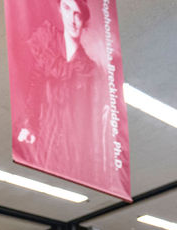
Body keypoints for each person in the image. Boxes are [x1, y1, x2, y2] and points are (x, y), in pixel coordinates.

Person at [13, 0, 119, 191]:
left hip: (72, 155)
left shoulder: (90, 71)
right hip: (41, 144)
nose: (73, 19)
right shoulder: (44, 46)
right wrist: (30, 124)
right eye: (68, 9)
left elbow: (90, 123)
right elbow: (34, 88)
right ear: (60, 10)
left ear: (85, 20)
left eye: (78, 14)